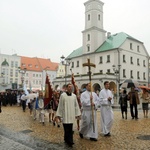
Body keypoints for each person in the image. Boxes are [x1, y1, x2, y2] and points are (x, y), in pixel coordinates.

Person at [56, 83, 81, 147]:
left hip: (71, 114)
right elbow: (60, 105)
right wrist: (59, 114)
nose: (70, 88)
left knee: (70, 128)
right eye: (69, 87)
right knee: (66, 128)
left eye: (71, 87)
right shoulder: (63, 95)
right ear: (66, 88)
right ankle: (67, 139)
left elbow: (76, 105)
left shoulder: (74, 96)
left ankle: (70, 140)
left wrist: (78, 113)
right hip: (65, 114)